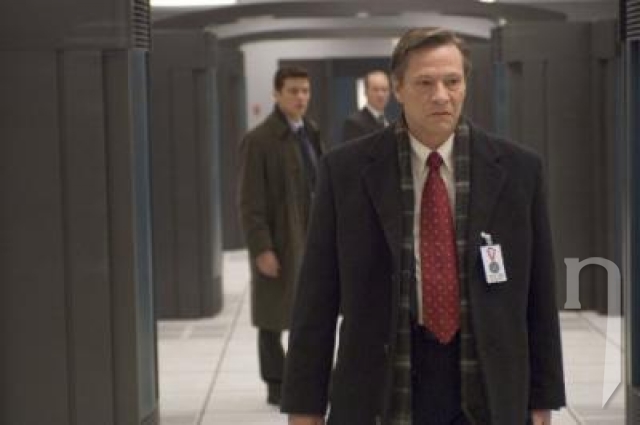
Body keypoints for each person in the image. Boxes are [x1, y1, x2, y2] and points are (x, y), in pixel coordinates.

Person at [281, 28, 565, 425]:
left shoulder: (519, 171)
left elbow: (539, 296)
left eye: (452, 81)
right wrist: (304, 404)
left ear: (465, 85)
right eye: (425, 83)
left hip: (487, 384)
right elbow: (316, 297)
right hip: (383, 385)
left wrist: (543, 396)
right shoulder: (346, 173)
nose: (441, 96)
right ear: (398, 88)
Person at [237, 66, 325, 407]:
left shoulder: (311, 132)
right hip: (279, 240)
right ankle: (276, 383)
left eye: (305, 91)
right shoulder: (259, 140)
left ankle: (305, 378)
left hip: (311, 236)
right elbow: (249, 202)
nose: (300, 97)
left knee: (309, 312)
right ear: (276, 94)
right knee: (272, 316)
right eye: (293, 91)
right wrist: (262, 248)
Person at [341, 70, 391, 143]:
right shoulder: (354, 124)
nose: (380, 95)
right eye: (375, 89)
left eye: (384, 90)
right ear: (365, 91)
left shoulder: (390, 122)